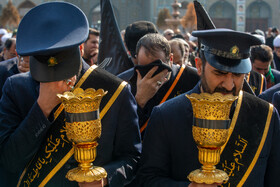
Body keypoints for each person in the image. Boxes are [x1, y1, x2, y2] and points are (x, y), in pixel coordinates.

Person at [0, 2, 141, 187]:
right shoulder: (16, 88)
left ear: (79, 49)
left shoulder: (115, 90)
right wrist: (42, 108)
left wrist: (106, 177)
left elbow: (133, 158)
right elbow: (8, 161)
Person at [137, 29, 280, 186]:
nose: (229, 84)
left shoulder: (265, 115)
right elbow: (146, 179)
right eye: (219, 73)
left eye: (238, 75)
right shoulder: (166, 116)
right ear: (199, 66)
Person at [118, 33, 200, 138]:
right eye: (145, 69)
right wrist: (139, 101)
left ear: (170, 59)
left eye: (158, 68)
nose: (150, 75)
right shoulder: (124, 84)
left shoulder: (191, 78)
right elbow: (122, 133)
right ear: (136, 59)